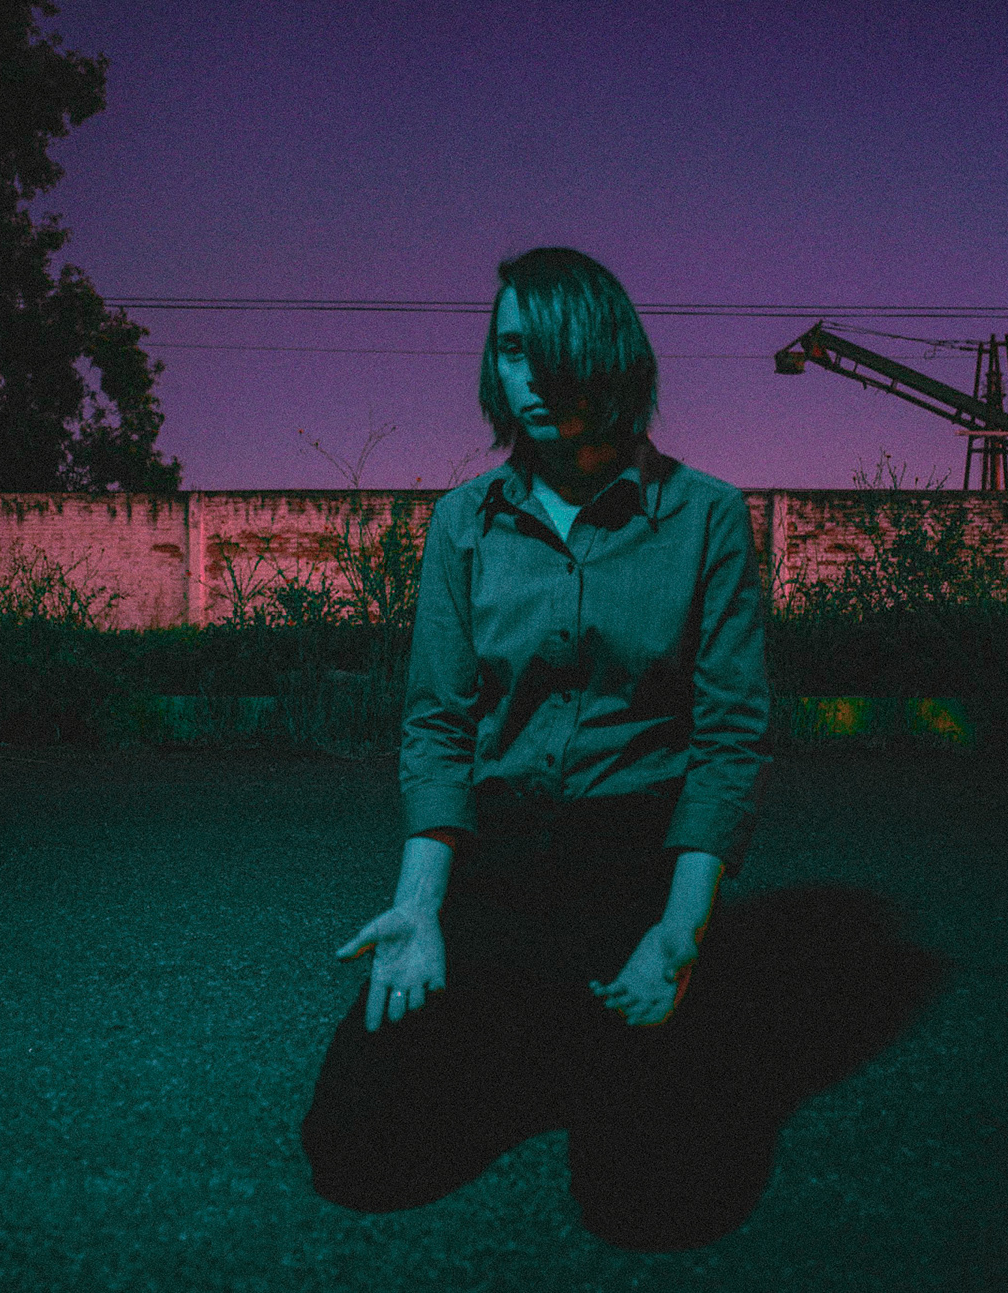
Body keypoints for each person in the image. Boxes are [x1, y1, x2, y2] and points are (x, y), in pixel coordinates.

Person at [300, 246, 772, 1250]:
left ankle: (608, 1035)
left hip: (635, 865)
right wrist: (420, 907)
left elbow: (730, 738)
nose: (535, 378)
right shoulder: (463, 523)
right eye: (513, 350)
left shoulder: (707, 517)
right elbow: (438, 725)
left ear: (613, 359)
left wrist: (680, 932)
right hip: (500, 862)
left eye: (558, 352)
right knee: (352, 1154)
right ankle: (541, 1035)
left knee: (657, 1208)